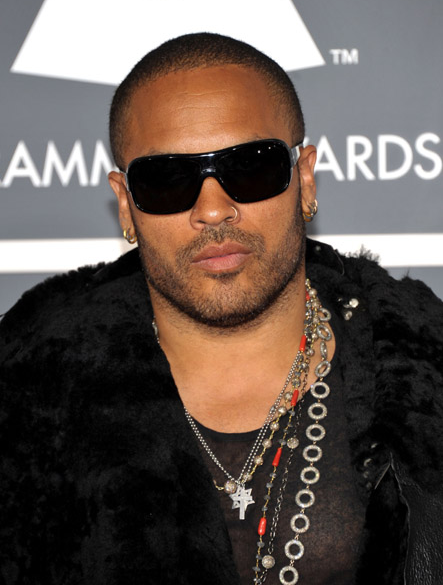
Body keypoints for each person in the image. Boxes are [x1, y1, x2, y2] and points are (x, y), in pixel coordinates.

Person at [1, 33, 443, 585]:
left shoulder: (427, 375)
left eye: (250, 168)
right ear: (126, 205)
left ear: (304, 179)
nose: (212, 209)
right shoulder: (27, 397)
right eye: (167, 180)